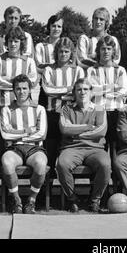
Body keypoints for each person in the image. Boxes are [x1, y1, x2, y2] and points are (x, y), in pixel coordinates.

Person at [0, 26, 38, 202]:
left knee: (20, 150)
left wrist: (10, 83)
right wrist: (18, 84)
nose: (13, 44)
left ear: (22, 43)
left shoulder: (29, 61)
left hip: (22, 111)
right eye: (10, 41)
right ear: (6, 43)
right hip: (0, 110)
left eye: (16, 41)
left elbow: (32, 82)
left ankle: (11, 193)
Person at [57, 78, 111, 213]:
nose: (82, 92)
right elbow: (65, 129)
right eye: (79, 89)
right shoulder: (66, 108)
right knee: (62, 164)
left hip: (95, 149)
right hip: (72, 148)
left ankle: (94, 200)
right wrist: (87, 127)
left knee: (105, 164)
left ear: (91, 92)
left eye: (86, 89)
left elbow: (101, 131)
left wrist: (77, 133)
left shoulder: (99, 109)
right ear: (74, 92)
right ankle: (72, 199)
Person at [0, 74, 48, 214]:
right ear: (14, 90)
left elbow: (42, 134)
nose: (22, 92)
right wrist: (27, 131)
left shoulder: (39, 109)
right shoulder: (6, 109)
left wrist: (16, 134)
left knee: (40, 164)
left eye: (24, 88)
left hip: (35, 148)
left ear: (30, 89)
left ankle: (31, 200)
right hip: (14, 148)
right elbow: (5, 134)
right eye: (18, 89)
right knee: (7, 162)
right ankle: (17, 201)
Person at [41, 37, 84, 169]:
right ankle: (46, 188)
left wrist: (60, 93)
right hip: (52, 114)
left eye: (66, 51)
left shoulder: (78, 70)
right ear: (56, 52)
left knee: (68, 153)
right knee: (50, 152)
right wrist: (68, 89)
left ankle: (66, 187)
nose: (63, 54)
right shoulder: (48, 69)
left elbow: (79, 94)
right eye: (61, 51)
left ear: (71, 52)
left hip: (72, 115)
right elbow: (47, 90)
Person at [87, 35, 127, 148]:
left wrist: (102, 90)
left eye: (109, 48)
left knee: (116, 144)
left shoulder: (120, 70)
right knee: (100, 145)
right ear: (98, 50)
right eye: (103, 48)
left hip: (116, 110)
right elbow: (93, 90)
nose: (106, 51)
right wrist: (113, 87)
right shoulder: (92, 70)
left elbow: (123, 90)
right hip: (98, 110)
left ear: (113, 50)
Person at [35, 14, 64, 107]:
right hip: (45, 90)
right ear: (49, 27)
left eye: (59, 26)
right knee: (44, 119)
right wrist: (58, 68)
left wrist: (48, 67)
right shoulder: (40, 46)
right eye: (54, 26)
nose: (56, 29)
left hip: (62, 90)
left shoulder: (67, 47)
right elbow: (38, 67)